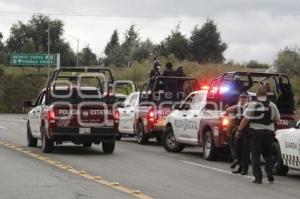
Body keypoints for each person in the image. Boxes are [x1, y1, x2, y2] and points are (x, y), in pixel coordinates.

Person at [236, 86, 280, 184]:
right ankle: (269, 172)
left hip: (256, 133)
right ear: (266, 94)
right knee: (268, 154)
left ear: (257, 94)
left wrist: (239, 130)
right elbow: (277, 119)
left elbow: (245, 119)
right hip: (269, 133)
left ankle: (258, 178)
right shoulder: (272, 105)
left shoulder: (253, 104)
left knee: (255, 156)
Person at [226, 92, 250, 175]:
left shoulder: (249, 106)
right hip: (237, 131)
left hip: (246, 131)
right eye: (241, 97)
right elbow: (227, 110)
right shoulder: (237, 107)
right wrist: (237, 106)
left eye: (244, 97)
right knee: (238, 149)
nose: (242, 99)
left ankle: (245, 169)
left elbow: (246, 120)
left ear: (248, 98)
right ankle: (240, 166)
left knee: (245, 151)